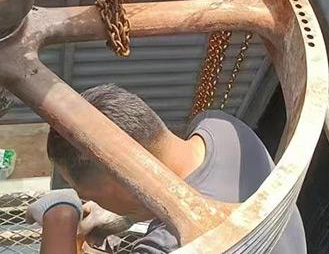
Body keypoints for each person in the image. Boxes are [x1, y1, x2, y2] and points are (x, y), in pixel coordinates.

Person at [27, 84, 306, 253]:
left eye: (88, 195)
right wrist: (128, 214)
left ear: (120, 185)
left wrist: (60, 216)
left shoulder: (171, 245)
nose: (90, 202)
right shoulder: (220, 127)